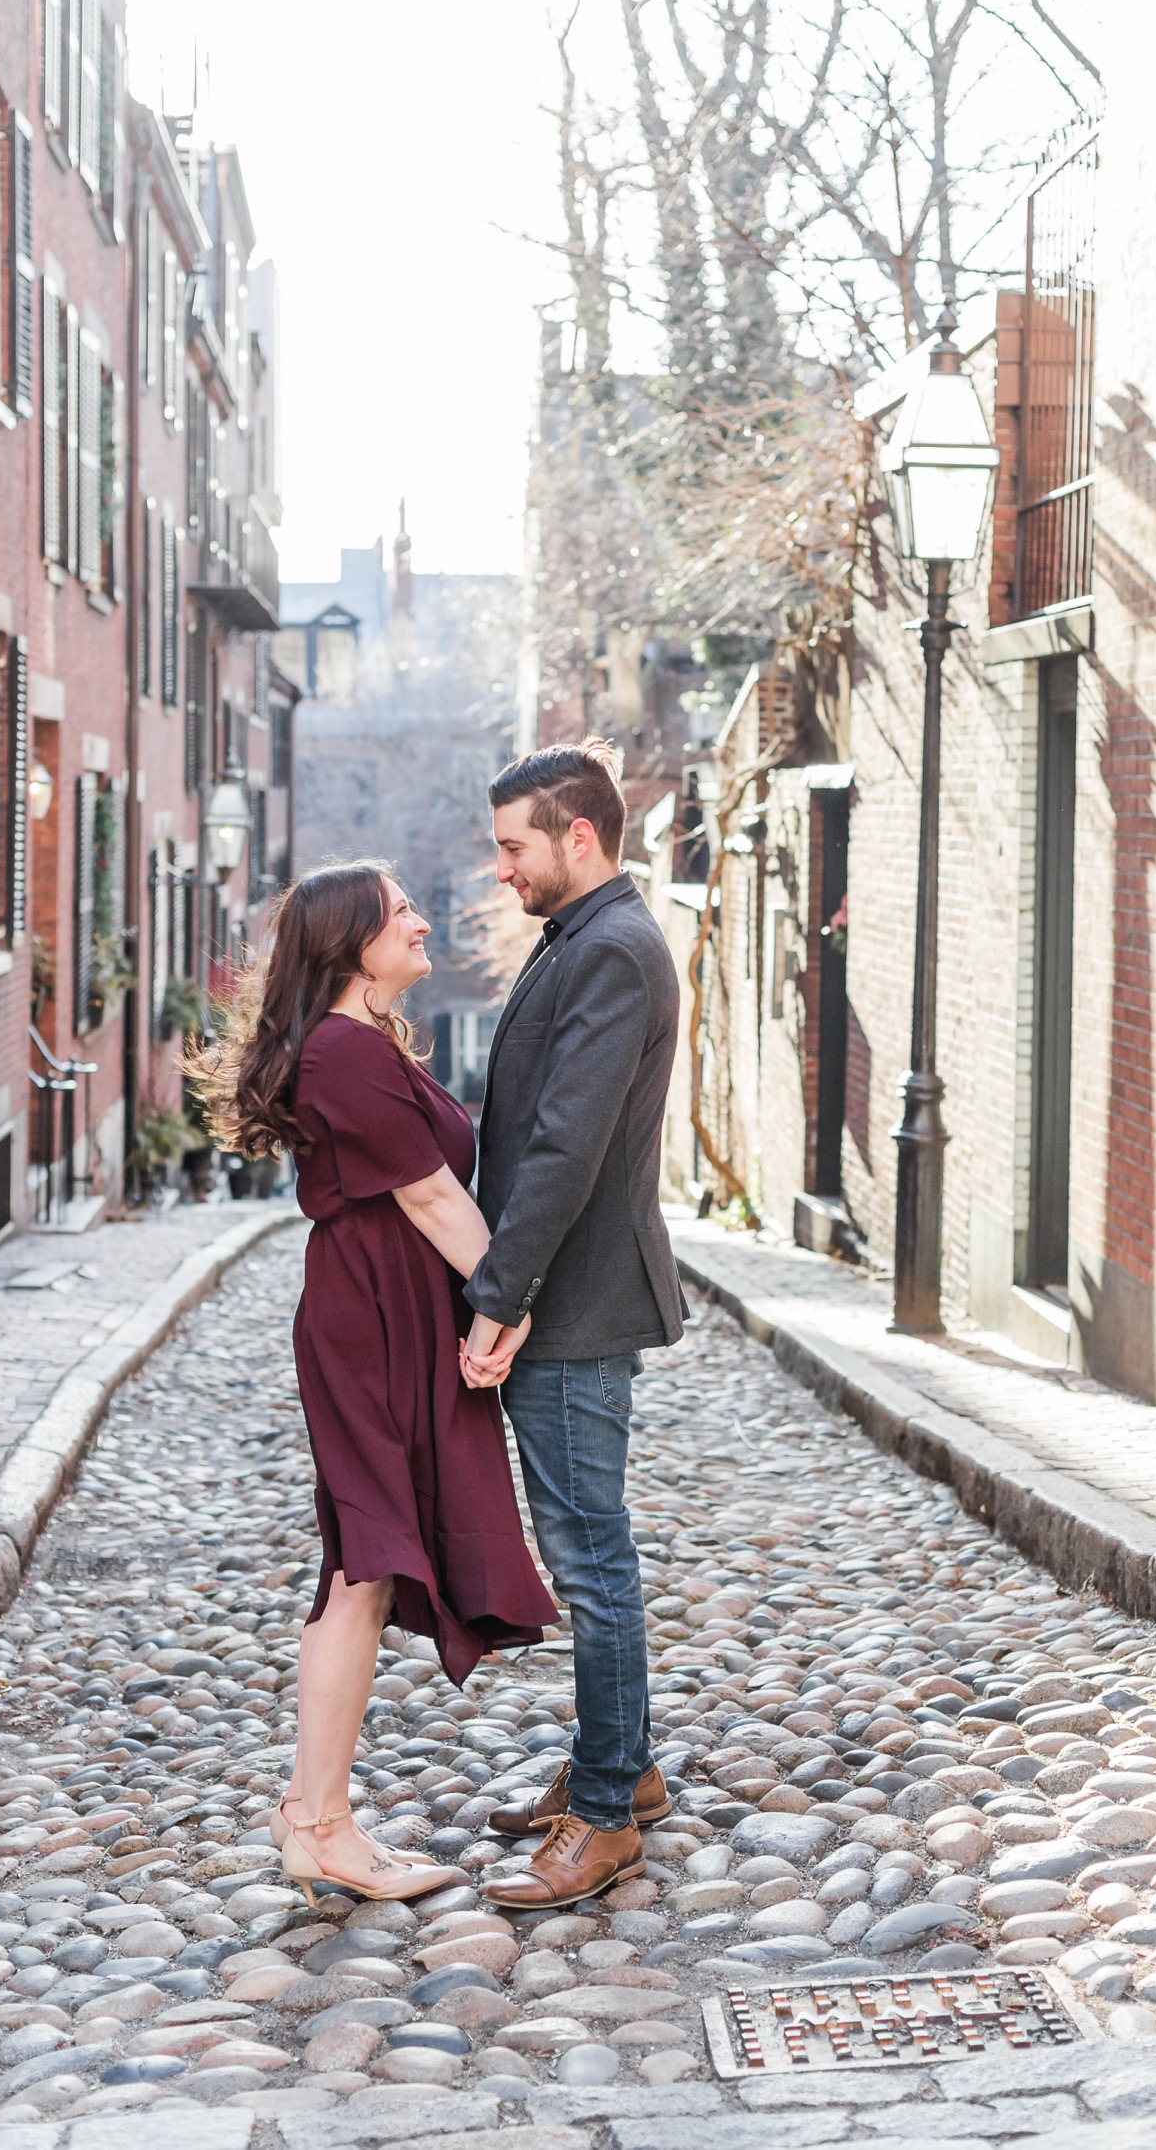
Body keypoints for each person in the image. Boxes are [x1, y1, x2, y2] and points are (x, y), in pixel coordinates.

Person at [190, 861, 557, 1905]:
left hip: (385, 1308)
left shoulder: (363, 1044)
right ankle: (322, 1823)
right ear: (353, 943)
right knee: (367, 1559)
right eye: (402, 913)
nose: (423, 919)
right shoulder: (345, 1054)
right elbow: (435, 1199)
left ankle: (316, 1817)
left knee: (368, 1561)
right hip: (372, 1319)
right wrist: (509, 1300)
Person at [460, 739, 687, 1910]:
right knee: (591, 1551)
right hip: (573, 1298)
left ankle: (605, 1816)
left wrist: (502, 1297)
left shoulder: (611, 953)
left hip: (577, 1305)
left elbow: (565, 1145)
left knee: (593, 1562)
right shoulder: (588, 940)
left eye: (514, 847)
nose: (501, 870)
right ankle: (625, 1767)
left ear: (578, 836)